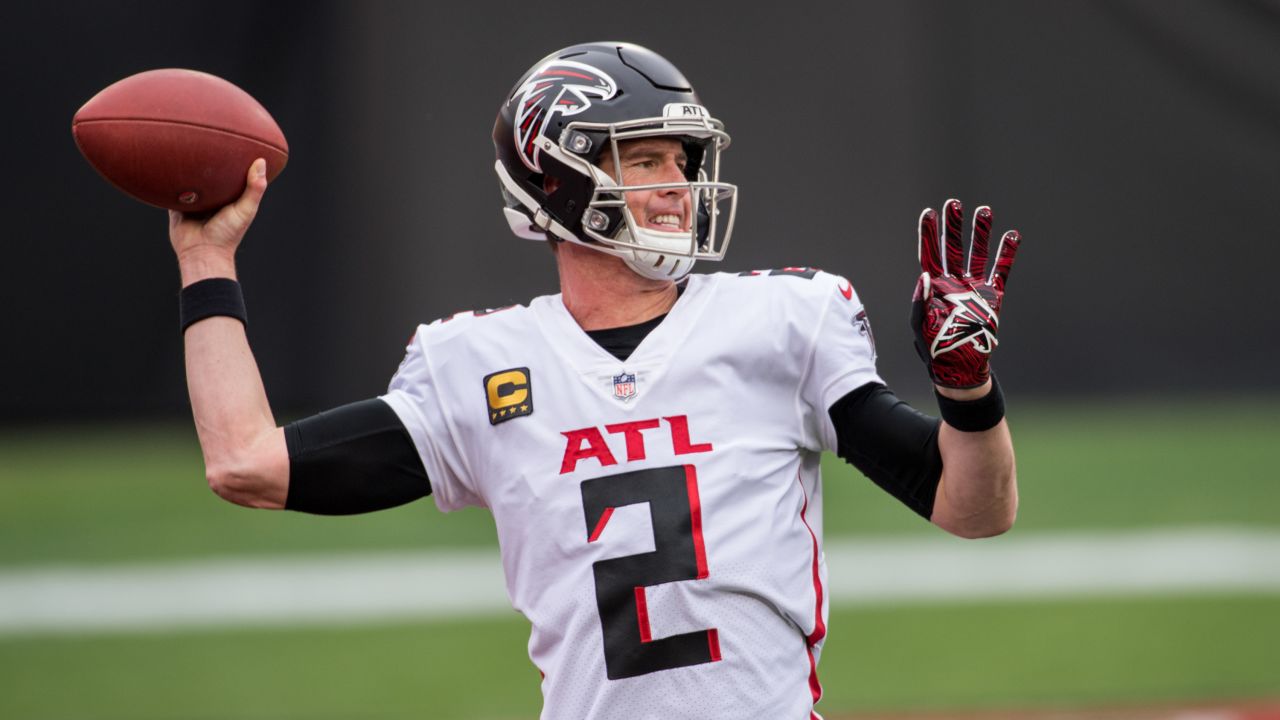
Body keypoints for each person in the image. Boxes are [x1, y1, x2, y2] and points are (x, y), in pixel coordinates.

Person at [168, 42, 1020, 719]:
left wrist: (967, 395)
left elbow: (973, 510)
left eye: (681, 161)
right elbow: (245, 460)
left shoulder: (782, 322)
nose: (678, 186)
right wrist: (206, 261)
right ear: (558, 181)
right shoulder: (478, 365)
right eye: (643, 159)